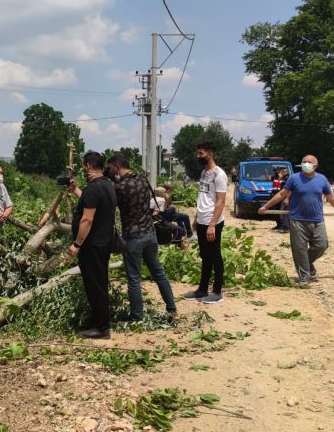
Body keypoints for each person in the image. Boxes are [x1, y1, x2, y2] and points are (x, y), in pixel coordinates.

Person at [107, 154, 177, 321]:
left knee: (133, 278)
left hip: (133, 237)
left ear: (116, 166)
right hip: (150, 232)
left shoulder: (120, 188)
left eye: (110, 169)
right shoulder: (142, 179)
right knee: (158, 272)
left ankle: (137, 316)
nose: (110, 172)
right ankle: (171, 308)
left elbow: (108, 205)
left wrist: (109, 181)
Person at [259, 155, 334, 284]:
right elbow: (282, 194)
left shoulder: (322, 179)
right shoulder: (294, 178)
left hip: (317, 220)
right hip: (297, 220)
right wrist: (266, 206)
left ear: (315, 166)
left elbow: (331, 197)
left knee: (321, 245)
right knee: (299, 249)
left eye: (309, 162)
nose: (306, 164)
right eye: (304, 162)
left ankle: (307, 263)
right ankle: (304, 277)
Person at [66, 152, 117, 339]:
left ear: (87, 165)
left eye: (83, 166)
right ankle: (97, 321)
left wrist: (76, 245)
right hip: (103, 243)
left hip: (92, 245)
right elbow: (93, 204)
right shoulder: (106, 185)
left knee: (95, 285)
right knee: (99, 282)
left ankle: (102, 328)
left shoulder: (93, 188)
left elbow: (87, 219)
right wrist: (77, 191)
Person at [182, 141, 228, 304]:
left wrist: (212, 225)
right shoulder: (204, 173)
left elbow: (221, 201)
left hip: (212, 222)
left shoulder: (219, 174)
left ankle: (217, 291)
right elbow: (203, 197)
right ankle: (202, 290)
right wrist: (196, 218)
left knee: (215, 256)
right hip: (202, 220)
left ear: (210, 153)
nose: (198, 156)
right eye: (198, 153)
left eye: (201, 153)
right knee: (205, 256)